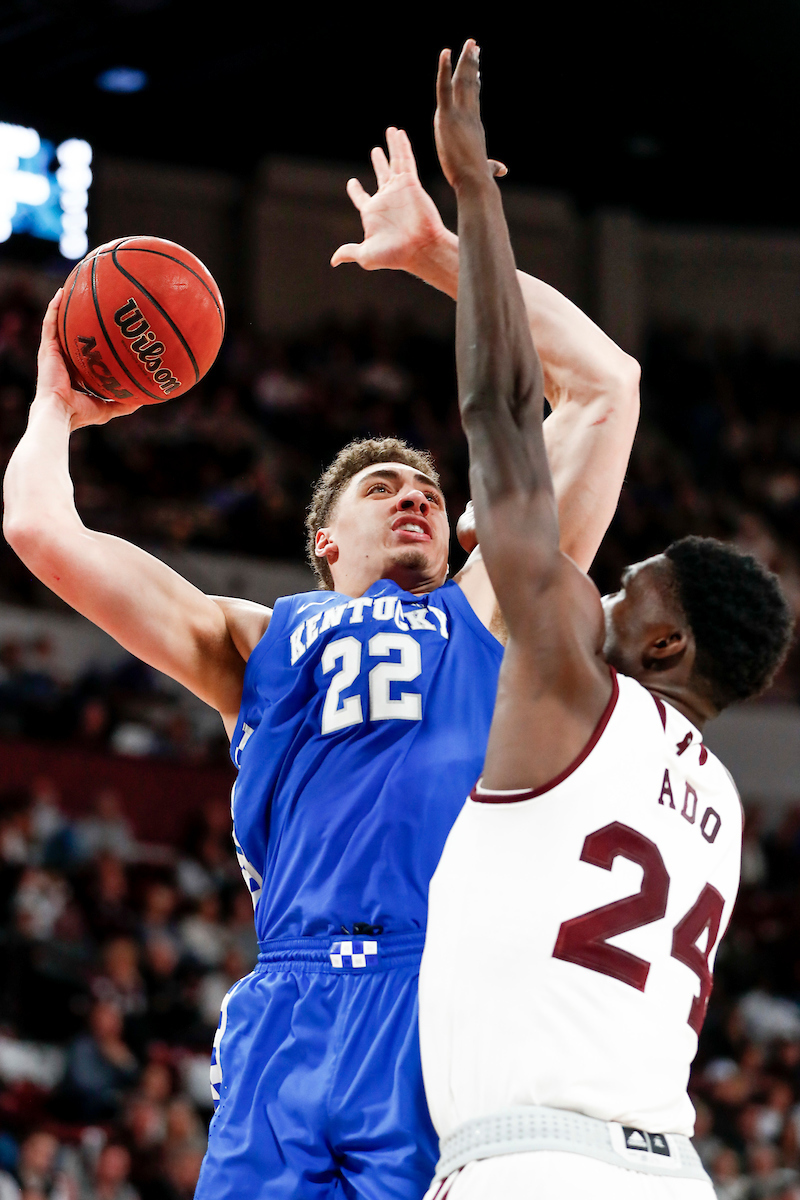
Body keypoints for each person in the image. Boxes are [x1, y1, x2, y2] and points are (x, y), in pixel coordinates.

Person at [3, 144, 638, 1200]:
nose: (414, 497)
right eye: (383, 485)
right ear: (323, 545)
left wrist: (443, 255)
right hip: (288, 1008)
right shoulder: (254, 641)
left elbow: (604, 387)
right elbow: (35, 525)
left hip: (434, 995)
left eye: (428, 489)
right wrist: (53, 405)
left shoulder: (483, 609)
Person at [418, 40, 794, 1200]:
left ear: (664, 645)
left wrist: (476, 197)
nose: (596, 589)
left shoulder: (578, 693)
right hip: (669, 1171)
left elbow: (497, 414)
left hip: (531, 1168)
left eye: (623, 586)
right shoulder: (721, 810)